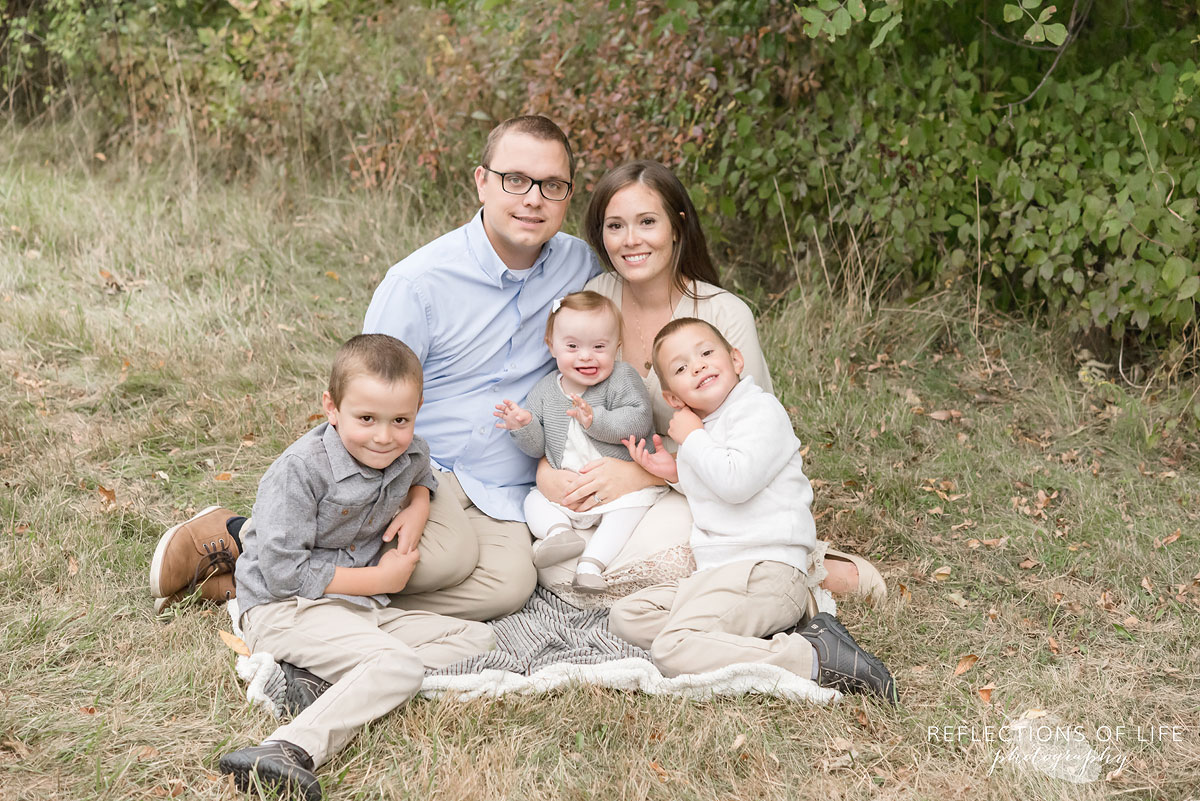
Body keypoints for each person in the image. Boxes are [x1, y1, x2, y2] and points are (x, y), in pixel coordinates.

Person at [149, 115, 600, 620]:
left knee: (509, 587)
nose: (533, 198)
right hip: (413, 464)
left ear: (568, 195)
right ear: (481, 181)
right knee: (440, 564)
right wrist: (410, 492)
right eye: (515, 180)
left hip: (505, 482)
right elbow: (368, 398)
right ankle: (245, 536)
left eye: (553, 186)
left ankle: (264, 583)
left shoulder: (579, 267)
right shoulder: (418, 283)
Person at [534, 159, 886, 604]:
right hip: (607, 488)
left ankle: (807, 572)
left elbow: (751, 441)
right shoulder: (595, 298)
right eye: (615, 226)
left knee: (662, 554)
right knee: (557, 565)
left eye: (647, 222)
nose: (630, 240)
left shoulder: (723, 314)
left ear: (677, 227)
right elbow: (557, 398)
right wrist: (548, 473)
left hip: (701, 486)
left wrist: (641, 476)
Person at [217, 334, 496, 800]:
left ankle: (319, 680)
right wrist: (380, 580)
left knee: (477, 638)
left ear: (417, 409)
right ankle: (285, 749)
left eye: (400, 420)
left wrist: (418, 506)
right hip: (285, 608)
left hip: (354, 607)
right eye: (366, 419)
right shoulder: (299, 472)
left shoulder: (408, 451)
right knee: (399, 664)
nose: (384, 436)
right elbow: (285, 573)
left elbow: (422, 472)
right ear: (332, 407)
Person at [616, 318, 895, 701]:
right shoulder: (708, 427)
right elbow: (716, 482)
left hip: (766, 571)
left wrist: (692, 439)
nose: (697, 366)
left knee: (670, 649)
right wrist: (675, 471)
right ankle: (736, 636)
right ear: (673, 398)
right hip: (720, 577)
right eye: (681, 368)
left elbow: (736, 482)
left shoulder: (758, 410)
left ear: (736, 360)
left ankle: (812, 657)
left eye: (706, 353)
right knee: (626, 617)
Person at [494, 291, 666, 592]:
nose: (586, 356)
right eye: (572, 346)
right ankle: (558, 533)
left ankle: (591, 565)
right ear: (552, 346)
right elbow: (538, 448)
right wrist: (523, 426)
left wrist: (595, 419)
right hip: (568, 492)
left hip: (619, 492)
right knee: (534, 500)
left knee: (630, 512)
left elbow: (639, 421)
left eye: (599, 346)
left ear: (617, 346)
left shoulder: (623, 378)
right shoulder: (545, 390)